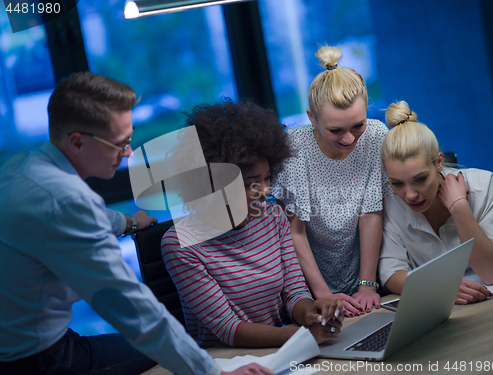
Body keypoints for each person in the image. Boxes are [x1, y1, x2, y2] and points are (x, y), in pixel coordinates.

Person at [0, 72, 273, 375]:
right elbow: (131, 307)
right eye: (120, 143)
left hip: (24, 342)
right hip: (39, 361)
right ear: (77, 142)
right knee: (167, 362)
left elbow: (83, 216)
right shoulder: (68, 202)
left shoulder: (21, 167)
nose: (128, 152)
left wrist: (129, 222)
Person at [161, 99, 344, 348]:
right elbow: (228, 329)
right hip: (225, 361)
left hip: (282, 348)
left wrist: (312, 314)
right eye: (251, 183)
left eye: (267, 178)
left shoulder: (273, 217)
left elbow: (294, 293)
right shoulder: (180, 244)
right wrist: (304, 337)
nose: (265, 190)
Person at [270, 45, 391, 317]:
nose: (349, 138)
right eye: (335, 130)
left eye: (357, 125)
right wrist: (322, 293)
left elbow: (371, 213)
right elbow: (294, 230)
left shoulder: (375, 135)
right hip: (310, 283)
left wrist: (368, 285)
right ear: (312, 118)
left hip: (365, 275)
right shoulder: (294, 146)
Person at [379, 100, 493, 304]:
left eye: (420, 179)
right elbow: (390, 274)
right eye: (397, 183)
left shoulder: (483, 185)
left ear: (439, 162)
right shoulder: (391, 204)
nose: (409, 195)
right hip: (438, 308)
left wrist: (460, 208)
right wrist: (438, 287)